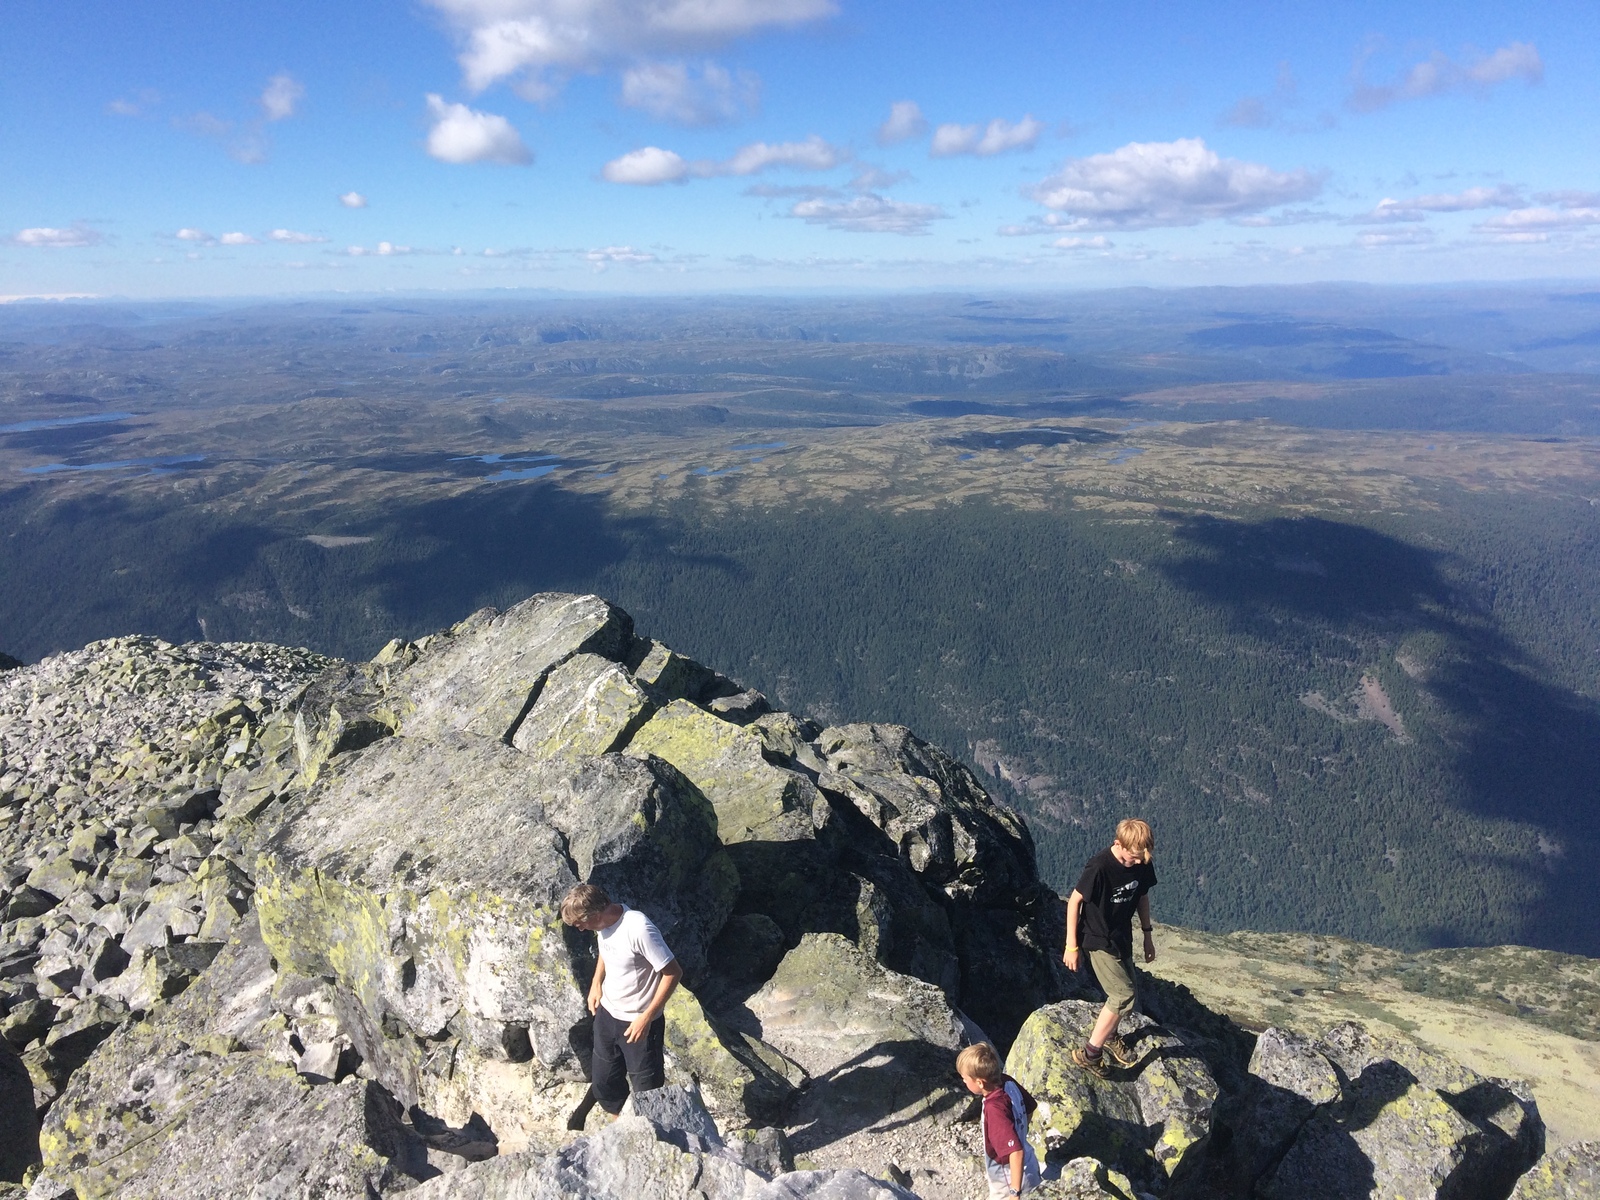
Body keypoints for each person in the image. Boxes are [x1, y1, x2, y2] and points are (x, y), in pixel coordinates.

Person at [560, 882, 682, 1118]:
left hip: (639, 1024)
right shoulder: (602, 924)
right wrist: (596, 983)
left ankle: (648, 1132)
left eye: (579, 924)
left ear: (594, 914)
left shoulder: (638, 929)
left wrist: (646, 1017)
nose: (581, 930)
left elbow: (673, 972)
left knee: (647, 1091)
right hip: (607, 1014)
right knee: (604, 1083)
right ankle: (620, 1125)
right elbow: (606, 949)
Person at [1062, 818, 1157, 1078]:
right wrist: (1072, 945)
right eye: (1134, 857)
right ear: (1118, 844)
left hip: (1121, 936)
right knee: (1122, 995)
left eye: (1143, 857)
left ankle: (1111, 1034)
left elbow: (1142, 897)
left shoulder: (1142, 861)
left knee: (1128, 993)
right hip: (1097, 938)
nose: (1140, 862)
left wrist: (1147, 936)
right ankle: (1090, 1054)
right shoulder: (1100, 866)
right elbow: (1075, 901)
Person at [956, 1042, 1041, 1199]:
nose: (964, 1082)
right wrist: (1019, 1133)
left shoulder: (994, 1108)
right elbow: (1030, 1108)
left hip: (1008, 1178)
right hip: (1030, 1163)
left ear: (980, 1082)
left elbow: (1015, 1152)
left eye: (965, 1078)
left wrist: (1014, 1192)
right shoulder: (1007, 1081)